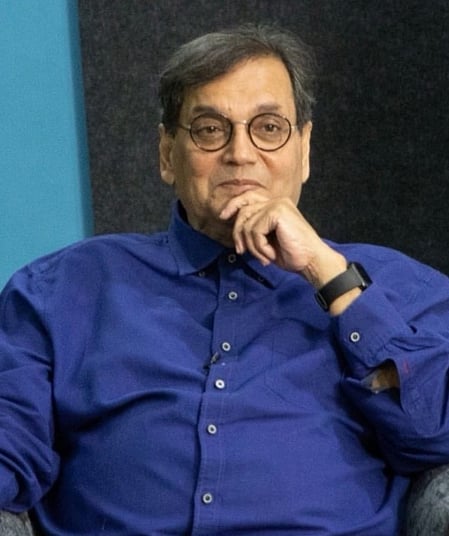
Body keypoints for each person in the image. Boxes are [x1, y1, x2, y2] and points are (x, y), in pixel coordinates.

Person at [1, 23, 449, 536]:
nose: (240, 153)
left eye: (269, 128)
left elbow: (436, 434)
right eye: (210, 129)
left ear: (304, 150)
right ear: (167, 153)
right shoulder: (59, 291)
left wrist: (330, 277)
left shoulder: (398, 289)